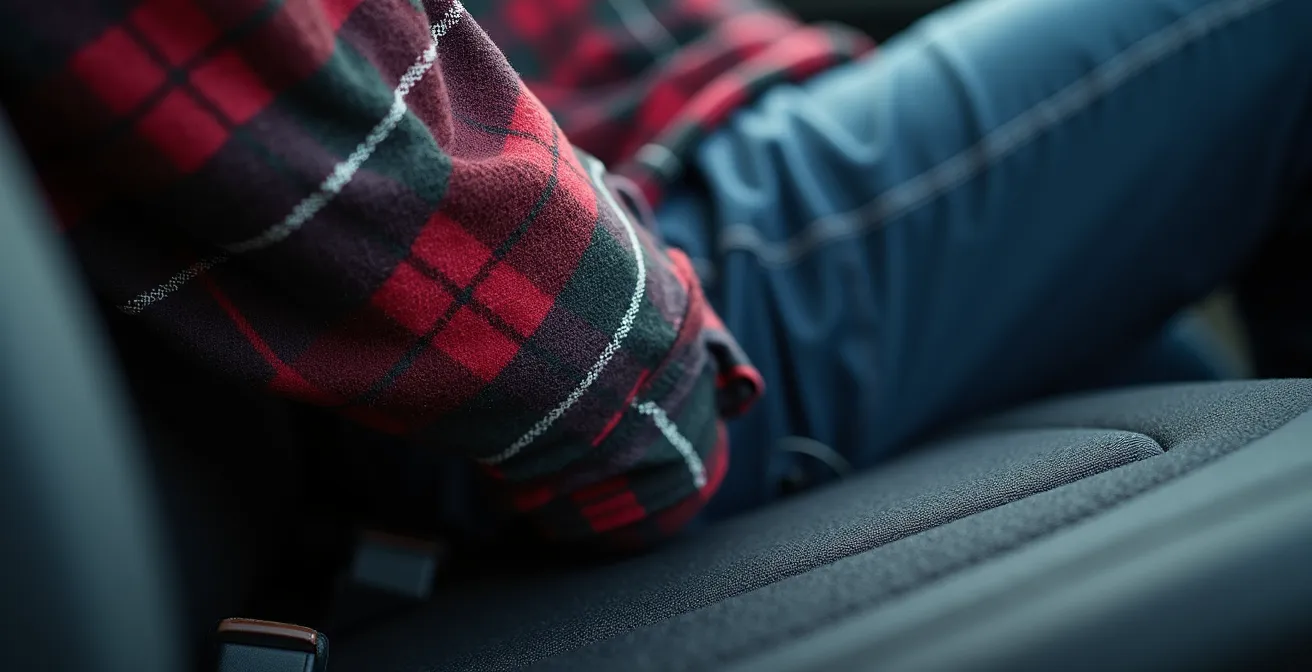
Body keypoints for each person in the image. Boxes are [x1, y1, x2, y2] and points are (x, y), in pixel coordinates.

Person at [1, 0, 1309, 550]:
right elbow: (595, 376)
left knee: (1174, 386)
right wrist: (653, 377)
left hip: (630, 187)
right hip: (630, 316)